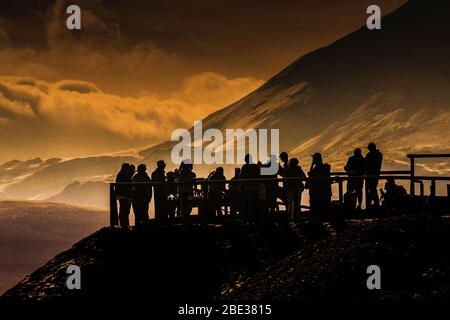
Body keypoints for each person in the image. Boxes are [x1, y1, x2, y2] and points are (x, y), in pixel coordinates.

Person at [307, 153, 332, 218]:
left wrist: (312, 167)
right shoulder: (325, 166)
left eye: (313, 158)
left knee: (316, 205)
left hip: (317, 190)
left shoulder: (320, 167)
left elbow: (312, 175)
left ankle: (317, 217)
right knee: (320, 205)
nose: (312, 160)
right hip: (322, 190)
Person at [240, 154, 260, 221]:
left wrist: (241, 187)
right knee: (254, 203)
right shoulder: (256, 166)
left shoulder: (244, 167)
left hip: (247, 188)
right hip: (255, 188)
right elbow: (259, 175)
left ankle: (247, 218)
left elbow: (241, 178)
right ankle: (254, 217)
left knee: (247, 204)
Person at [365, 143, 383, 208]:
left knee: (371, 189)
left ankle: (374, 202)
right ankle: (374, 203)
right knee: (372, 189)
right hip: (374, 175)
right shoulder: (379, 154)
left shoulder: (371, 155)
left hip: (371, 175)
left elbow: (366, 163)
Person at [115, 163, 133, 228]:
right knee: (124, 211)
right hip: (124, 196)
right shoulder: (122, 175)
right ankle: (124, 225)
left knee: (125, 211)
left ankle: (124, 224)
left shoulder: (122, 175)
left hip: (124, 196)